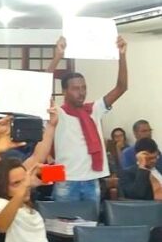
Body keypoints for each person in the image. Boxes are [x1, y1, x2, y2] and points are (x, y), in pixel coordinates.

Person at [47, 36, 128, 202]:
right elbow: (40, 89)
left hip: (92, 180)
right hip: (66, 180)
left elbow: (121, 87)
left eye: (84, 88)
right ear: (64, 91)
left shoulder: (94, 110)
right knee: (64, 227)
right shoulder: (58, 114)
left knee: (91, 225)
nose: (81, 92)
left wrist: (122, 56)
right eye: (76, 88)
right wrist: (57, 57)